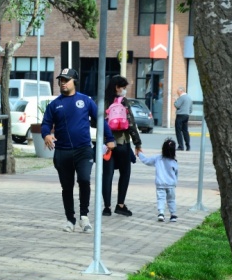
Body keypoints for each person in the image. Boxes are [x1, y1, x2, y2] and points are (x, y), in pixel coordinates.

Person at [41, 68, 116, 233]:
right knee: (66, 187)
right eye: (60, 80)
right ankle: (70, 219)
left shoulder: (86, 101)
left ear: (74, 81)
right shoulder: (54, 104)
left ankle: (84, 216)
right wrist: (46, 134)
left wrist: (109, 138)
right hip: (62, 151)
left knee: (83, 180)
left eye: (66, 80)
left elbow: (99, 119)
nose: (62, 83)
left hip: (83, 150)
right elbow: (46, 123)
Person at [102, 75, 143, 217]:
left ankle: (106, 207)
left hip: (107, 145)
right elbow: (131, 123)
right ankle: (120, 205)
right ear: (117, 87)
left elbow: (94, 122)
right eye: (123, 88)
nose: (124, 91)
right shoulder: (123, 101)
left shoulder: (103, 101)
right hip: (122, 143)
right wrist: (137, 143)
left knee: (107, 175)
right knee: (125, 173)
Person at [138, 138, 178, 223]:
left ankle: (161, 213)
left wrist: (139, 154)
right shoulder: (174, 161)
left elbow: (146, 161)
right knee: (171, 199)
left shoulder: (157, 158)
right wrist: (175, 182)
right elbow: (176, 173)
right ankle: (173, 215)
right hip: (171, 184)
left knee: (161, 199)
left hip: (160, 184)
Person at [174, 86, 193, 151]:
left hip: (180, 115)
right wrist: (187, 112)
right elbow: (191, 109)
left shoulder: (181, 97)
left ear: (181, 91)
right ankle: (188, 146)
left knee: (178, 131)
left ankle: (181, 146)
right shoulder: (189, 98)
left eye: (178, 92)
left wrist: (176, 99)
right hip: (186, 115)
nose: (177, 93)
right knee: (185, 131)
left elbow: (177, 105)